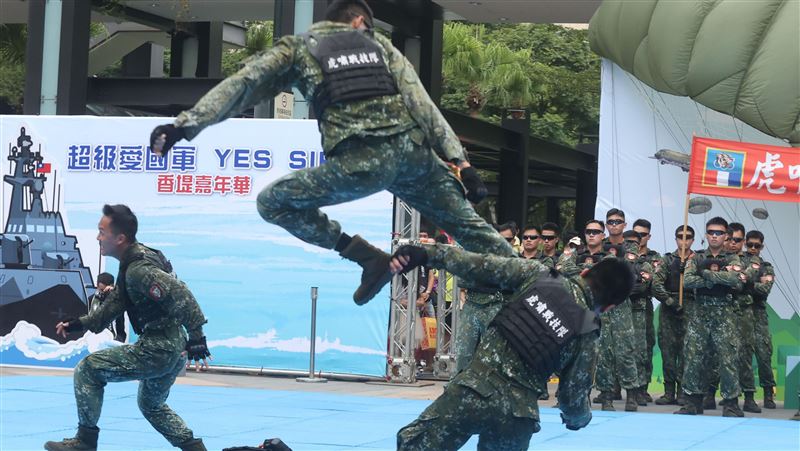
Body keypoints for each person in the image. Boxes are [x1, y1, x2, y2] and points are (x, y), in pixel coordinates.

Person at [149, 0, 512, 305]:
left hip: (359, 164)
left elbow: (242, 86)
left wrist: (184, 126)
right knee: (474, 231)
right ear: (358, 21)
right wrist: (461, 163)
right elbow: (422, 105)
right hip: (415, 158)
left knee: (272, 202)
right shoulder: (383, 49)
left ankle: (365, 257)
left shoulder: (298, 48)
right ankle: (546, 289)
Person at [390, 243, 634, 451]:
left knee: (413, 445)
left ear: (585, 272)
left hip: (470, 393)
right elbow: (573, 398)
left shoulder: (540, 275)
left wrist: (428, 254)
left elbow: (480, 264)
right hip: (517, 416)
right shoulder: (588, 331)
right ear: (611, 306)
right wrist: (579, 420)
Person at [45, 205, 210, 451]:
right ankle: (195, 448)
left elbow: (181, 293)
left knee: (88, 370)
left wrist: (197, 337)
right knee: (151, 405)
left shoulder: (139, 270)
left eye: (102, 232)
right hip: (173, 349)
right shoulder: (133, 262)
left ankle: (85, 441)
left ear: (120, 238)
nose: (98, 237)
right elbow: (113, 306)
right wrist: (79, 323)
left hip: (158, 349)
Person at [675, 217, 744, 417]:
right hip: (700, 313)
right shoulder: (696, 258)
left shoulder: (732, 259)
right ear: (706, 234)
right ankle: (692, 401)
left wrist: (705, 275)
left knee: (728, 358)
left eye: (719, 233)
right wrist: (715, 281)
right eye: (711, 232)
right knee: (694, 357)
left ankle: (730, 403)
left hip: (724, 314)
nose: (714, 236)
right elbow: (687, 281)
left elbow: (734, 279)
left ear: (726, 236)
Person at [651, 225, 695, 406]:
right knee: (668, 352)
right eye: (680, 237)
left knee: (687, 353)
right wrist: (670, 301)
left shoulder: (697, 260)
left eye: (688, 237)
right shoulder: (667, 260)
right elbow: (656, 284)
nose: (684, 240)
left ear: (692, 239)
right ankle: (669, 392)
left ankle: (683, 391)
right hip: (670, 310)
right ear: (675, 238)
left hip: (690, 308)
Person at [744, 230, 778, 409]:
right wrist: (754, 284)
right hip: (741, 314)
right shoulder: (739, 263)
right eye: (749, 245)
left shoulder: (767, 267)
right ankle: (748, 396)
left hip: (758, 314)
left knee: (764, 356)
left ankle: (768, 394)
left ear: (762, 247)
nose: (752, 249)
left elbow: (764, 290)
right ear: (745, 244)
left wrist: (746, 283)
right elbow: (735, 284)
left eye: (756, 246)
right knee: (742, 356)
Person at [621, 232, 653, 406]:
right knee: (620, 351)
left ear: (640, 244)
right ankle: (614, 390)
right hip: (618, 312)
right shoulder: (616, 263)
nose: (630, 246)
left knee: (639, 352)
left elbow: (642, 287)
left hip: (637, 310)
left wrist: (623, 288)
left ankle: (639, 390)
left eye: (634, 242)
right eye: (627, 242)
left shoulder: (644, 265)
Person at [632, 218, 660, 402]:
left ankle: (641, 388)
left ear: (648, 236)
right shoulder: (622, 255)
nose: (638, 238)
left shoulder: (654, 258)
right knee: (623, 348)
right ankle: (618, 388)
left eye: (642, 235)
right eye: (635, 234)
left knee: (644, 348)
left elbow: (653, 283)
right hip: (623, 306)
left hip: (643, 306)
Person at [87, 272, 126, 343]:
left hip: (112, 342)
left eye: (105, 290)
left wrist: (117, 342)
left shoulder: (117, 302)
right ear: (97, 285)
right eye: (101, 290)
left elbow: (121, 331)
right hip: (93, 341)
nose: (102, 293)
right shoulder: (90, 300)